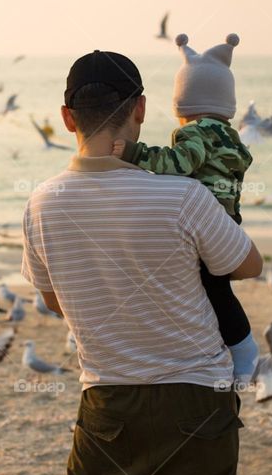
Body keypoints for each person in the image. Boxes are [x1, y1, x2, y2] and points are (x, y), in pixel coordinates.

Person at [22, 49, 263, 475]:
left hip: (110, 400)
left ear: (68, 119)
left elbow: (55, 302)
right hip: (199, 394)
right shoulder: (185, 196)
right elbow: (248, 265)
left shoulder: (42, 204)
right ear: (141, 109)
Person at [111, 33, 258, 386]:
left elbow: (179, 164)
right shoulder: (230, 137)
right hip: (228, 223)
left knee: (207, 289)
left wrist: (135, 153)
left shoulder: (194, 133)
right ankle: (241, 349)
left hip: (204, 224)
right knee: (217, 290)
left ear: (183, 104)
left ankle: (244, 352)